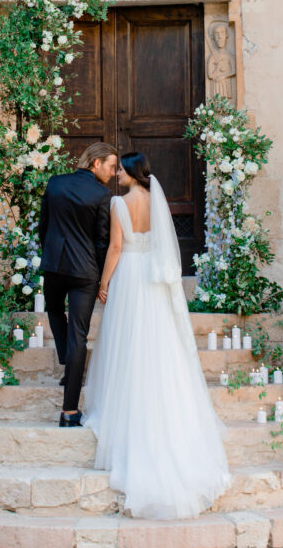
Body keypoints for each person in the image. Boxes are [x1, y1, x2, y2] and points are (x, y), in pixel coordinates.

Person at [82, 151, 230, 518]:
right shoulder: (156, 200)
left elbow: (116, 247)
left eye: (120, 170)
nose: (116, 175)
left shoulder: (119, 202)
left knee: (125, 341)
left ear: (131, 173)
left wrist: (104, 283)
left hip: (131, 273)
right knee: (157, 339)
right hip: (153, 275)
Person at [38, 141, 118, 427]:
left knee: (55, 312)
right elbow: (101, 240)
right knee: (79, 336)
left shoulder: (55, 183)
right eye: (110, 167)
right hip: (85, 270)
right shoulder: (102, 195)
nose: (113, 173)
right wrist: (101, 277)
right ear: (95, 163)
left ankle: (68, 366)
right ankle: (69, 411)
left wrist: (48, 251)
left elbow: (43, 226)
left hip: (54, 265)